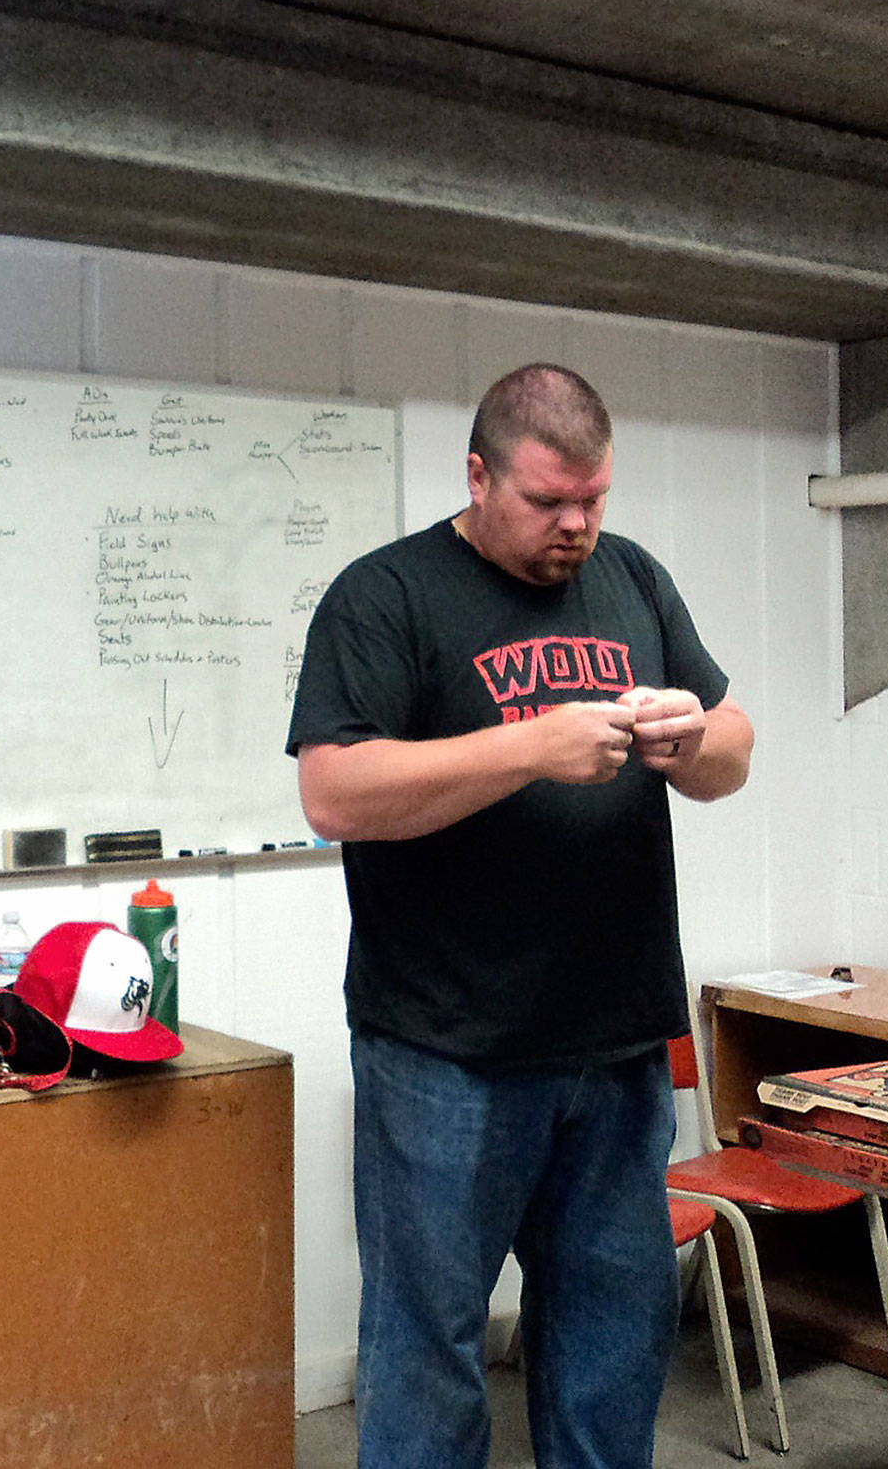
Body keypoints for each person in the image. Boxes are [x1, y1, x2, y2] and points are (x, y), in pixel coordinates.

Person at [286, 363, 754, 1468]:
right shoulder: (385, 595)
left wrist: (691, 737)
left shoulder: (632, 578)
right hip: (446, 1055)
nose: (576, 525)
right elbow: (330, 792)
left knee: (609, 1345)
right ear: (477, 475)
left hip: (618, 1045)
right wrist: (527, 748)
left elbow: (732, 746)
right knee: (427, 1352)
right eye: (547, 502)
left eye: (592, 499)